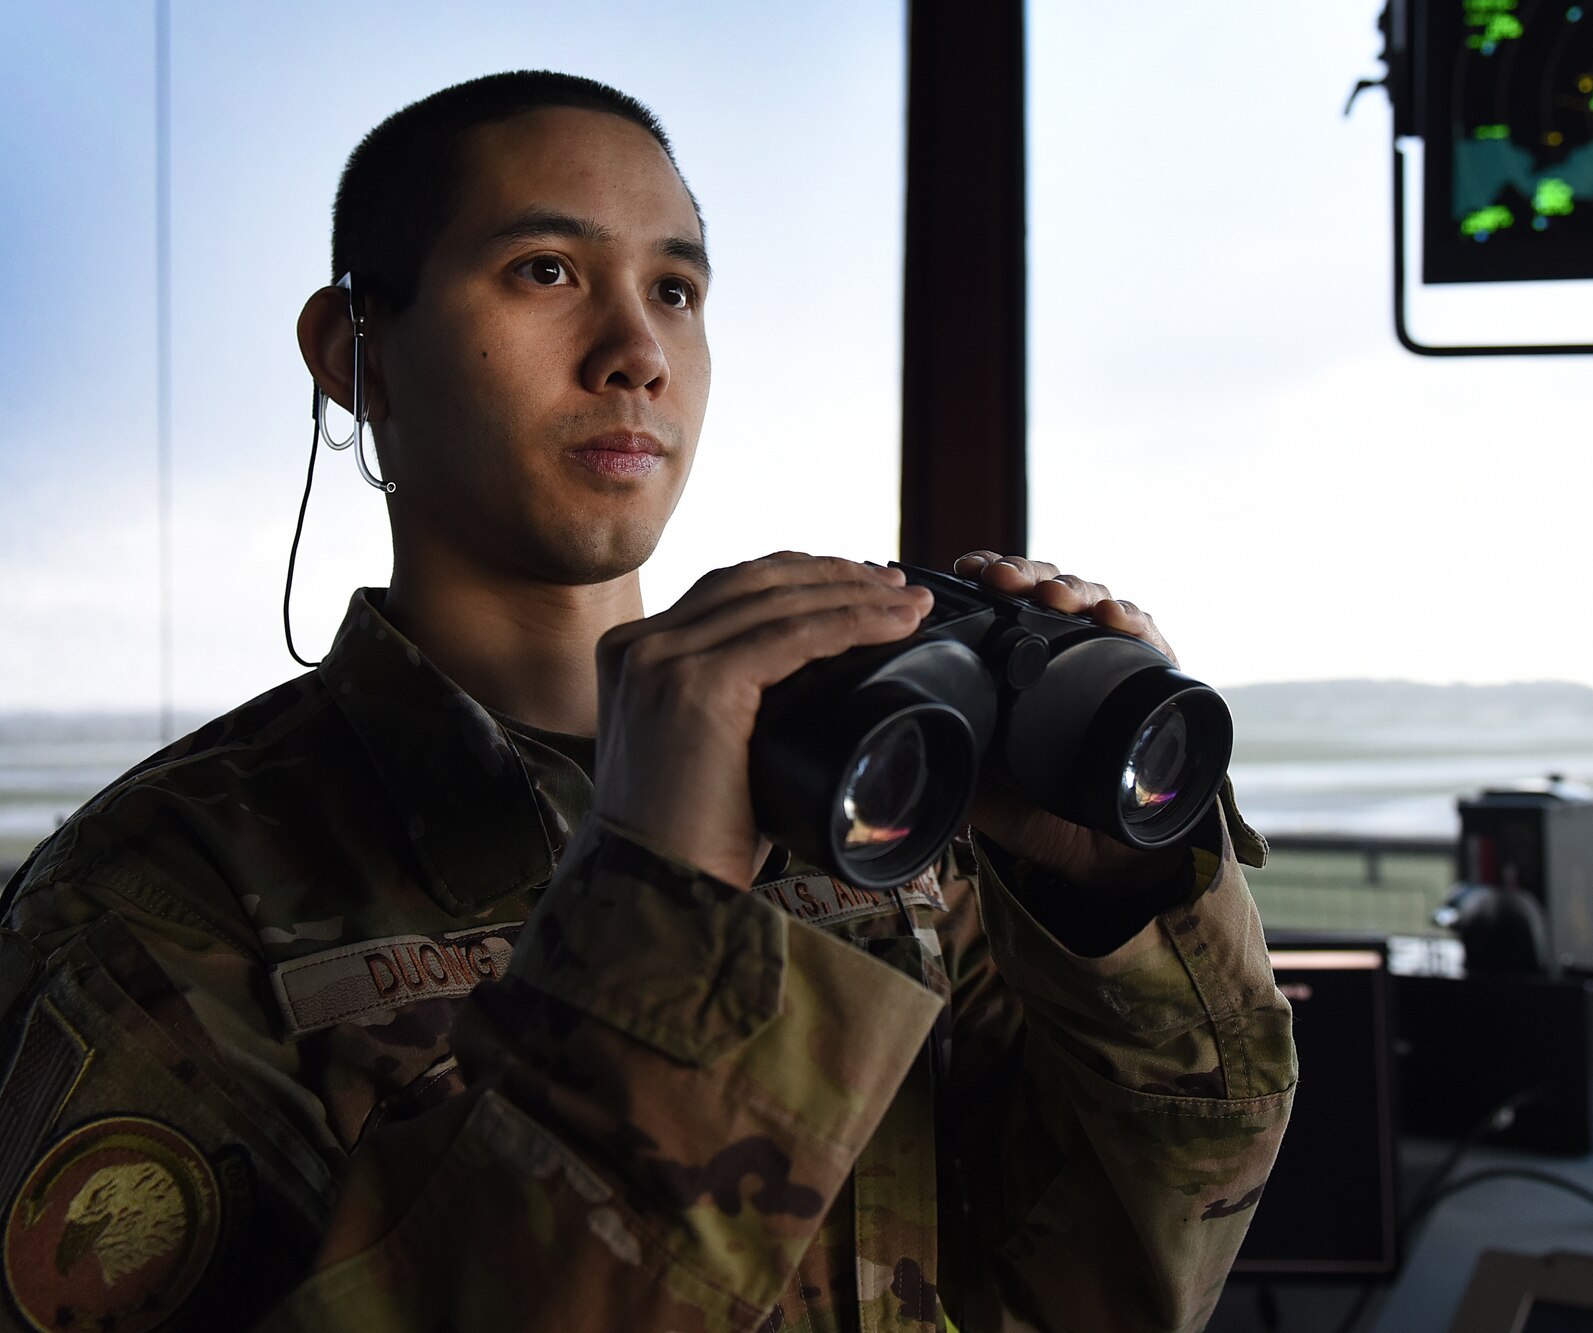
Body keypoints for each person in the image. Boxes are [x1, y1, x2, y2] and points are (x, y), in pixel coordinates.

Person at [0, 71, 1294, 1332]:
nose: (636, 354)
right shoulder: (160, 894)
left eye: (674, 290)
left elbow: (1103, 1286)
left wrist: (1112, 911)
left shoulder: (873, 804)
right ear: (358, 354)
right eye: (546, 272)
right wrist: (659, 911)